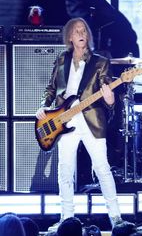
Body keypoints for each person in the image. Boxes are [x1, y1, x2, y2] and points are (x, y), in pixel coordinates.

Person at [36, 17, 122, 230]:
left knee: (102, 169)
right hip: (64, 120)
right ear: (70, 37)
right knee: (64, 171)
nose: (81, 33)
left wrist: (110, 97)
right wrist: (43, 106)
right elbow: (51, 88)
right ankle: (67, 219)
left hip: (91, 119)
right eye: (77, 31)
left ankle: (116, 219)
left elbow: (109, 99)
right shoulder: (62, 60)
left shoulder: (100, 62)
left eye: (84, 30)